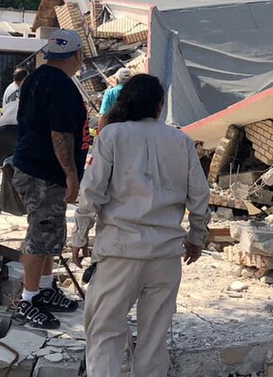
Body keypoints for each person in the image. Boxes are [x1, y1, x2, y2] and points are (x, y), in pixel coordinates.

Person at [71, 74, 210, 377]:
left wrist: (79, 236)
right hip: (165, 253)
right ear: (159, 106)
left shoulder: (112, 136)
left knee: (105, 331)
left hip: (120, 250)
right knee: (154, 337)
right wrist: (197, 236)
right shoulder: (181, 140)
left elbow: (91, 192)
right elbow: (200, 195)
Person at [10, 29, 88, 329]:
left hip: (34, 165)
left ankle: (44, 288)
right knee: (41, 232)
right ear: (78, 54)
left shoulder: (36, 77)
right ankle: (28, 299)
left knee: (50, 232)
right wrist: (71, 175)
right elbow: (60, 135)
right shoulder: (61, 85)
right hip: (44, 170)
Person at [0, 68, 29, 211]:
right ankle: (25, 202)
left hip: (2, 124)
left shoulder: (8, 89)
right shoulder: (27, 91)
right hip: (20, 124)